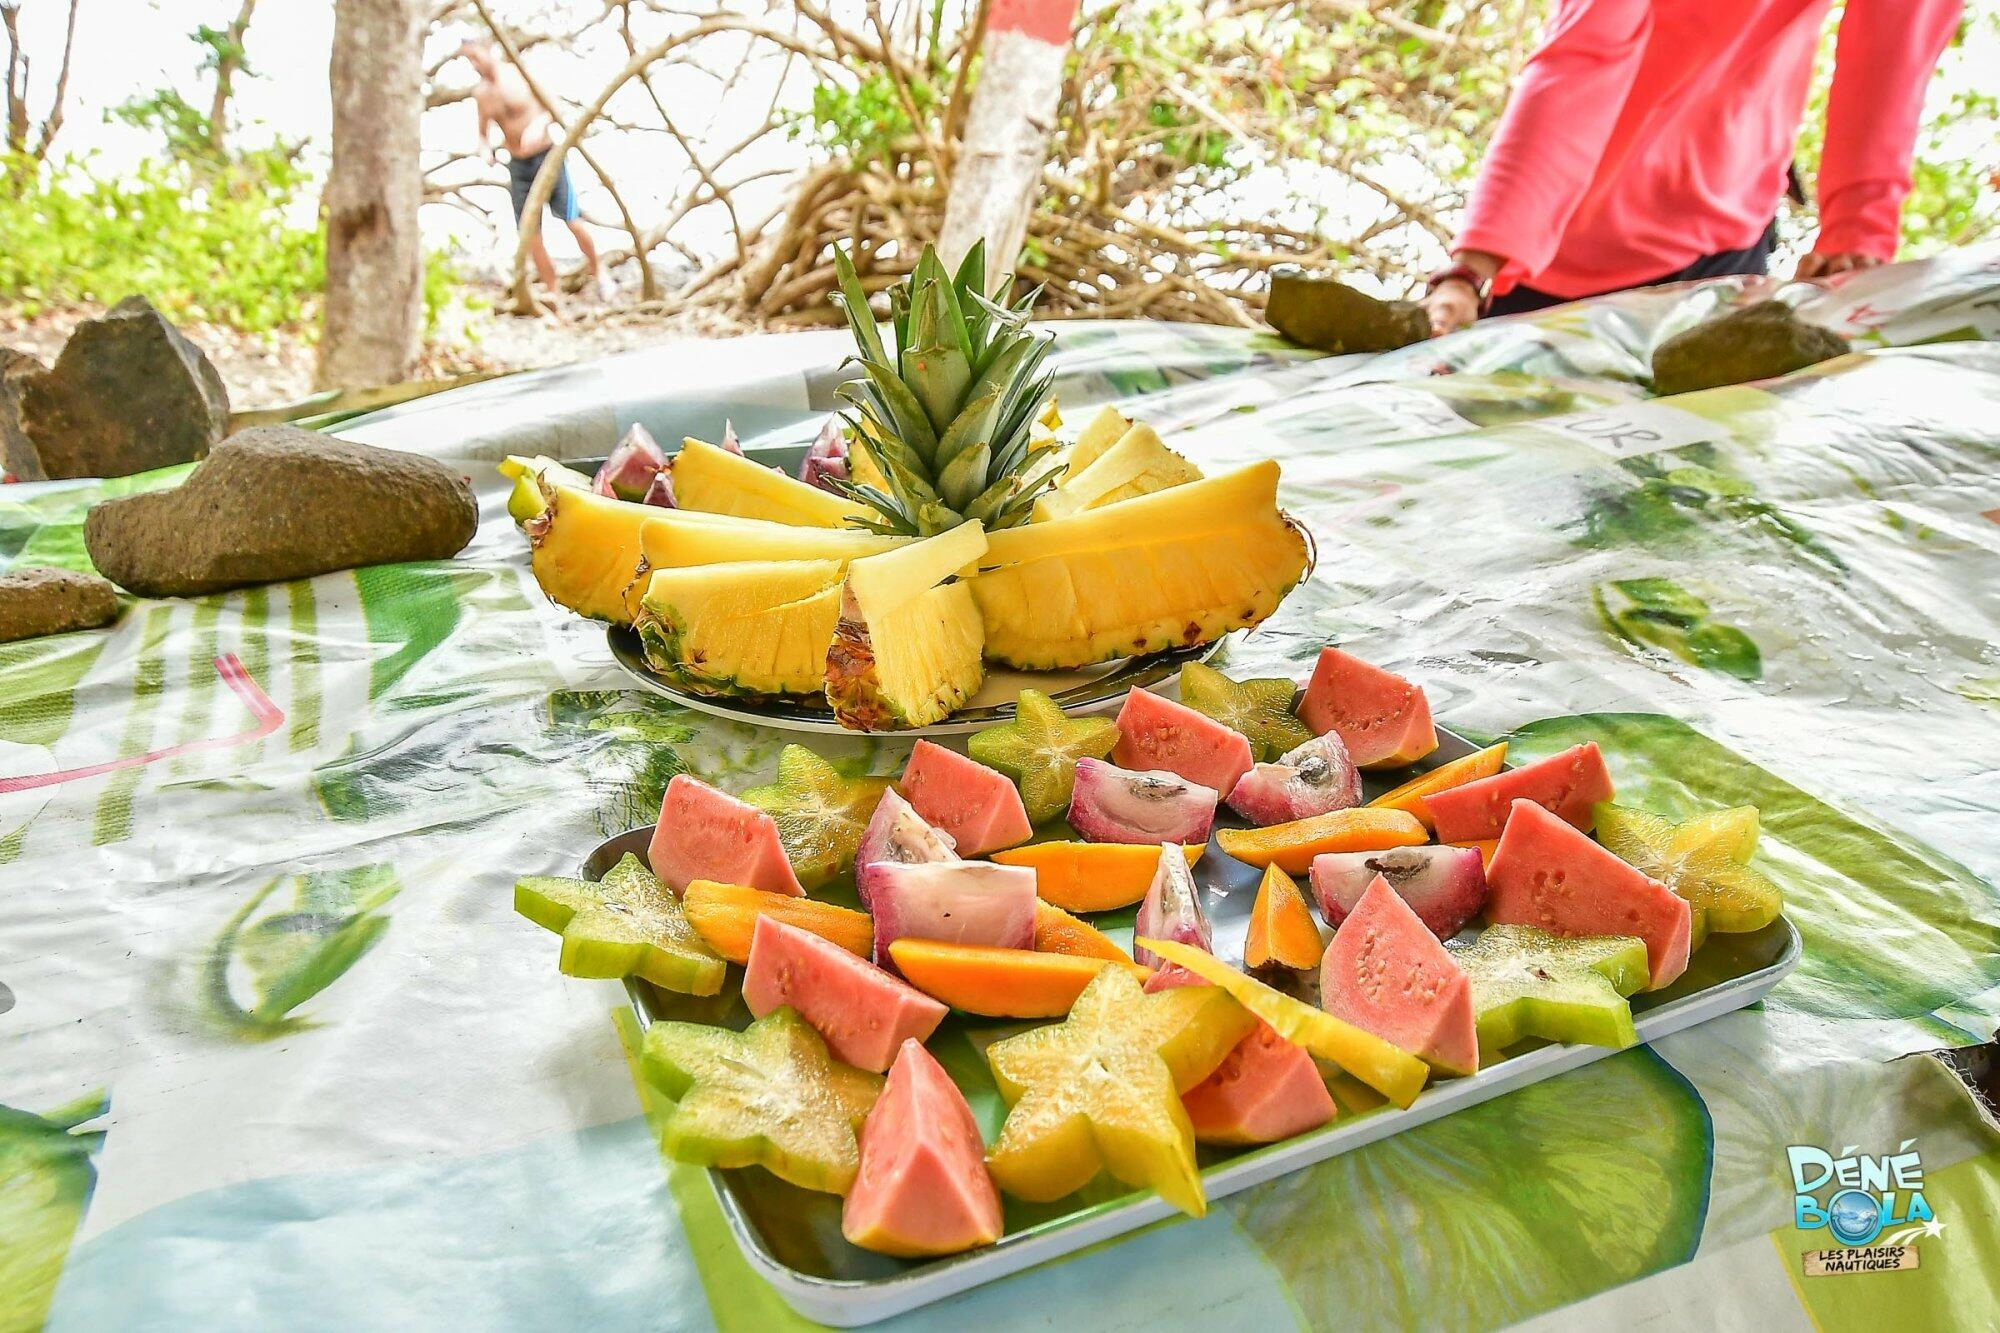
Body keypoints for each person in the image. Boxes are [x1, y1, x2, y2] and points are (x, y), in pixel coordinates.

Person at [1421, 0, 1963, 333]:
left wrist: (1858, 229)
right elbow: (1583, 52)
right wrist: (1474, 267)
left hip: (1721, 234)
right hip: (1551, 240)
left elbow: (1893, 43)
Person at [460, 37, 611, 302]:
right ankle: (554, 293)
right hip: (517, 165)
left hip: (546, 157)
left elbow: (553, 109)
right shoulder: (481, 94)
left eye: (476, 57)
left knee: (572, 220)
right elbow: (482, 134)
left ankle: (600, 273)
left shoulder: (519, 74)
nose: (474, 64)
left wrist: (538, 126)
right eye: (468, 60)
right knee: (530, 233)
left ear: (488, 49)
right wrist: (485, 152)